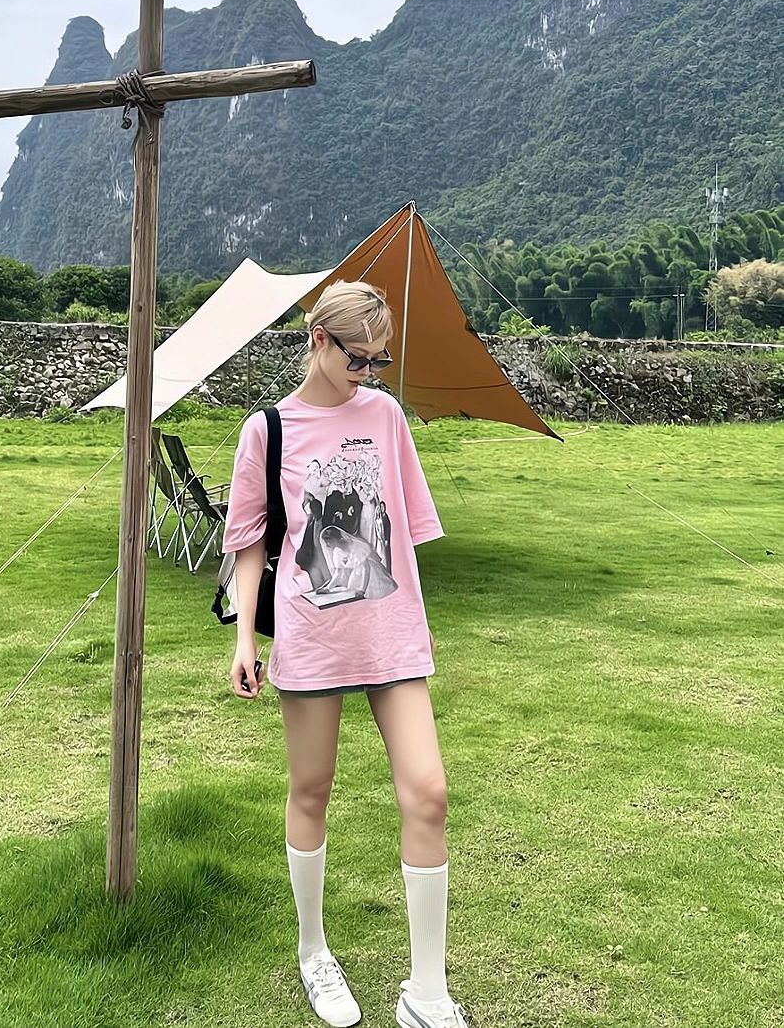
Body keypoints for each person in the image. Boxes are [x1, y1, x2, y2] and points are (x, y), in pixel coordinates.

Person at [223, 279, 469, 1028]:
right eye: (358, 357)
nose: (369, 370)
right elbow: (252, 545)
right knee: (312, 790)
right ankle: (313, 951)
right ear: (319, 341)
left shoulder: (387, 417)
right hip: (311, 638)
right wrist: (242, 638)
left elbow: (407, 526)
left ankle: (427, 992)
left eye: (379, 359)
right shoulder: (267, 429)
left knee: (428, 791)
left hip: (392, 637)